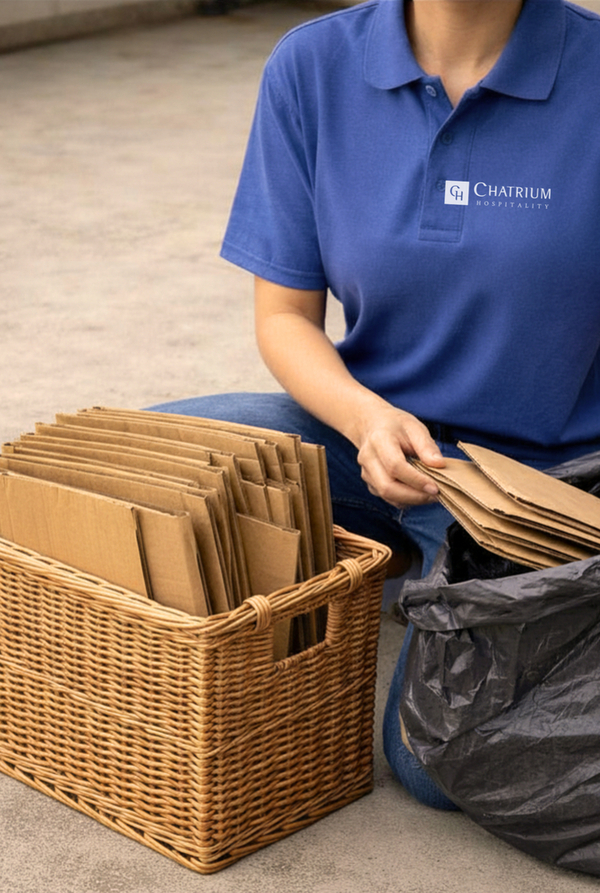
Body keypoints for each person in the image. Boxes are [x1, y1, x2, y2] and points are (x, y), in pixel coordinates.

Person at [150, 0, 600, 809]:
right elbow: (286, 318)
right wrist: (365, 418)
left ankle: (446, 581)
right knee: (140, 465)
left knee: (435, 761)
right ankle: (407, 569)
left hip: (543, 487)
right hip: (369, 439)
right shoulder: (313, 66)